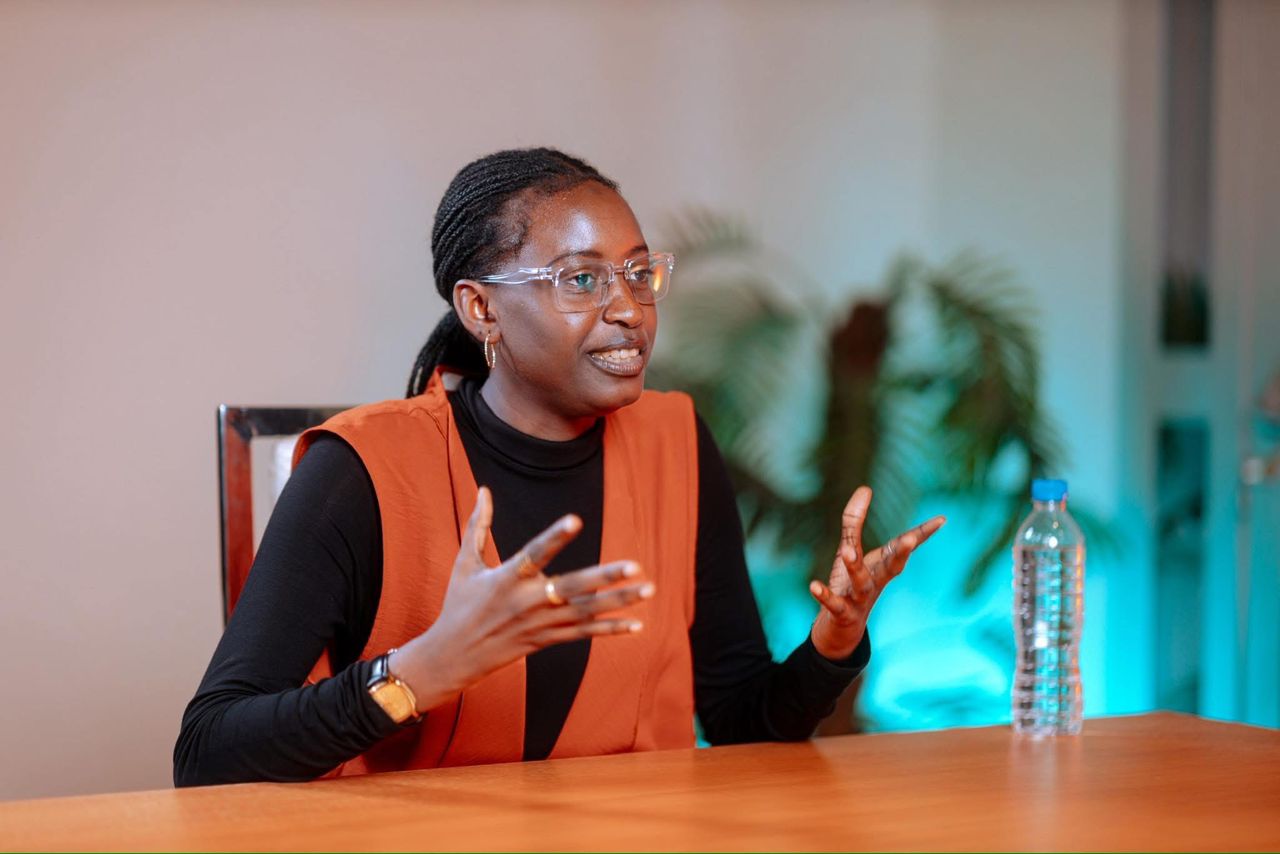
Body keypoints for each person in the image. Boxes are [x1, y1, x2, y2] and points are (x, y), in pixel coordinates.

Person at [173, 147, 944, 786]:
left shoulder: (675, 440)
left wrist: (832, 645)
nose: (629, 309)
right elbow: (208, 753)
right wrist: (419, 673)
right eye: (581, 280)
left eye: (639, 274)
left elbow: (741, 716)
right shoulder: (359, 471)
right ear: (482, 309)